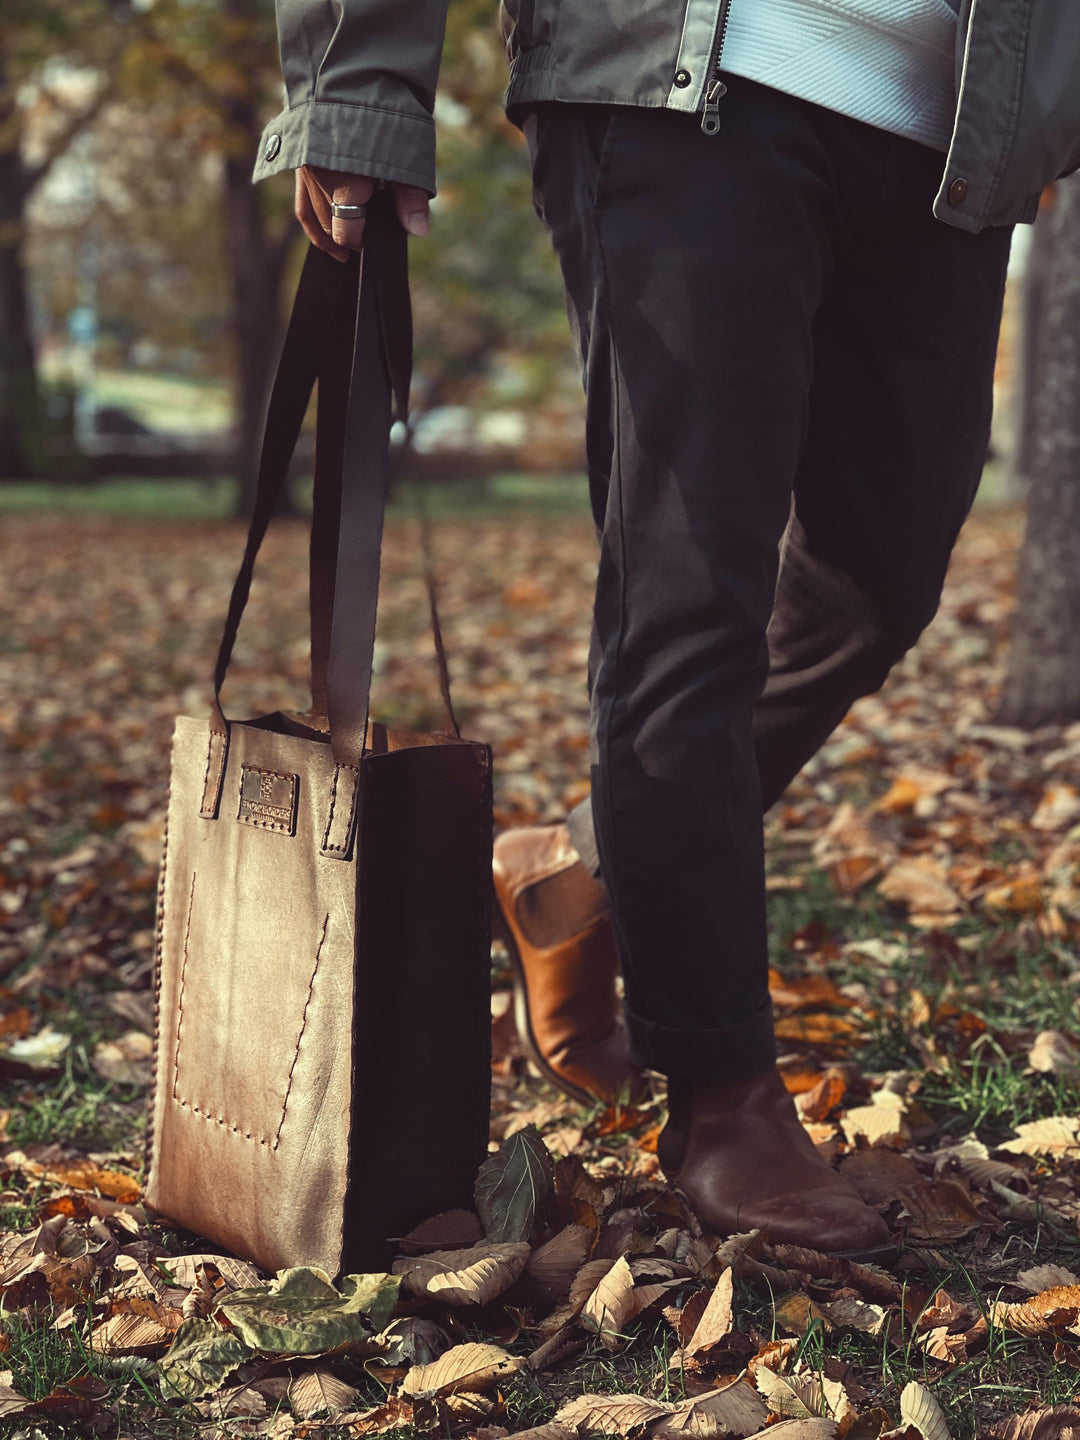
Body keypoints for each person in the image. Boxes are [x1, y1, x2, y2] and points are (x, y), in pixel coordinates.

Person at [256, 0, 1080, 1260]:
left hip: (953, 129)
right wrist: (356, 84)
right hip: (691, 86)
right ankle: (721, 1095)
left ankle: (575, 869)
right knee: (688, 603)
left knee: (878, 583)